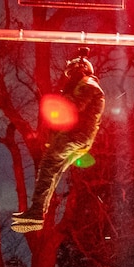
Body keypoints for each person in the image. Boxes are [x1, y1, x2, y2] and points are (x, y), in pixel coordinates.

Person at [11, 48, 105, 233]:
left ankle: (37, 212)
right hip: (80, 139)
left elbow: (74, 107)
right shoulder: (87, 85)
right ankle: (38, 212)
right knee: (53, 170)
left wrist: (66, 95)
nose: (70, 77)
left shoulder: (88, 84)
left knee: (48, 166)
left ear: (81, 70)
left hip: (75, 137)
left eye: (72, 73)